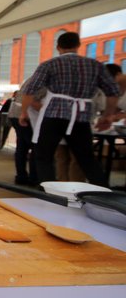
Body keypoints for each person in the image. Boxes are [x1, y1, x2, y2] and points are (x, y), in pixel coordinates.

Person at [20, 32, 119, 185]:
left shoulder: (49, 64)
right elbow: (113, 92)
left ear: (58, 47)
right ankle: (103, 194)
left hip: (54, 114)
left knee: (44, 155)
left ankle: (49, 191)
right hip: (81, 116)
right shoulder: (95, 65)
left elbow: (30, 90)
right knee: (86, 158)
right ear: (78, 46)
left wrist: (23, 112)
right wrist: (107, 115)